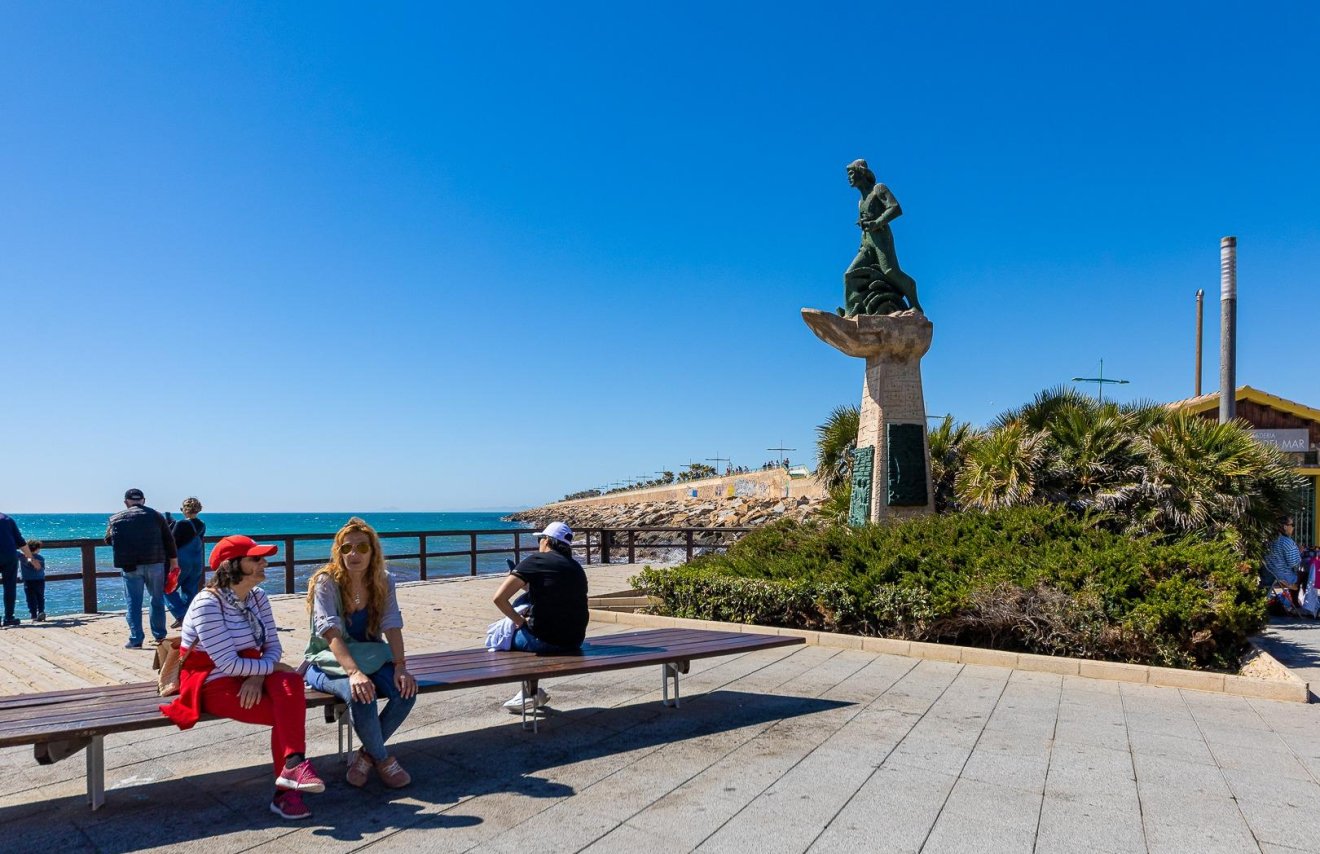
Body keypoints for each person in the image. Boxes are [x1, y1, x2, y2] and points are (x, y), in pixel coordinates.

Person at [161, 534, 325, 820]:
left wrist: (259, 676)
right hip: (212, 679)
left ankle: (293, 767)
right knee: (284, 712)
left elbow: (273, 647)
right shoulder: (206, 604)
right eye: (256, 559)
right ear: (231, 565)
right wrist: (269, 668)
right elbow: (228, 664)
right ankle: (286, 791)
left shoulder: (257, 597)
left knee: (291, 682)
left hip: (250, 669)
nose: (265, 563)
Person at [302, 518, 417, 788]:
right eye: (347, 548)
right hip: (327, 661)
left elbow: (392, 623)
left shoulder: (384, 580)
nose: (354, 554)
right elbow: (330, 632)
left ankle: (365, 756)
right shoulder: (325, 582)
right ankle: (383, 760)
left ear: (373, 551)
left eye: (362, 547)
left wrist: (400, 666)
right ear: (338, 552)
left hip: (370, 655)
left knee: (406, 692)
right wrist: (353, 673)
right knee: (361, 695)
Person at [491, 521, 589, 713]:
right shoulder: (576, 567)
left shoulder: (535, 561)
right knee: (527, 604)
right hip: (575, 640)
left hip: (546, 642)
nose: (539, 544)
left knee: (503, 638)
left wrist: (520, 622)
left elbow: (499, 599)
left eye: (540, 539)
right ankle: (531, 693)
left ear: (547, 540)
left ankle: (530, 693)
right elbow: (555, 593)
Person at [841, 158, 923, 316]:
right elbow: (866, 226)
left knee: (890, 271)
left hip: (881, 237)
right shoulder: (860, 202)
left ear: (861, 173)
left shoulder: (878, 189)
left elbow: (895, 208)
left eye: (851, 173)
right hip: (867, 242)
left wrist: (877, 222)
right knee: (850, 275)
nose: (848, 177)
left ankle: (916, 305)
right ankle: (852, 313)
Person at [105, 489, 179, 648]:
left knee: (133, 602)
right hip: (155, 563)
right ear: (143, 500)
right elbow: (169, 540)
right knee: (157, 599)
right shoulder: (157, 516)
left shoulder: (115, 518)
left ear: (126, 502)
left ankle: (136, 639)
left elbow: (109, 540)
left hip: (130, 565)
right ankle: (160, 636)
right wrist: (174, 562)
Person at [165, 497, 207, 629]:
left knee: (167, 589)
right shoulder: (202, 524)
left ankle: (181, 614)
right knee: (190, 591)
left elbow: (172, 543)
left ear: (184, 509)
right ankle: (190, 619)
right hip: (197, 561)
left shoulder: (181, 524)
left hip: (183, 561)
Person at [0, 512, 35, 627]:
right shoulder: (7, 519)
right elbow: (21, 542)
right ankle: (9, 618)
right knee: (9, 586)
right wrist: (30, 558)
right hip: (9, 555)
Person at [1263, 516, 1303, 592]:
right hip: (1283, 578)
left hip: (1267, 577)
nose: (1293, 527)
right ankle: (1303, 599)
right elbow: (1294, 564)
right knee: (1308, 575)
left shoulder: (1268, 540)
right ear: (1285, 527)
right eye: (1292, 525)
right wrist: (1299, 552)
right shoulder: (1287, 542)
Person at [19, 539, 46, 622]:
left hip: (28, 580)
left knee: (30, 598)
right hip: (40, 580)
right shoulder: (40, 558)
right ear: (37, 549)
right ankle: (41, 612)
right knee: (40, 596)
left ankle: (33, 614)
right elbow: (42, 567)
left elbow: (17, 555)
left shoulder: (23, 557)